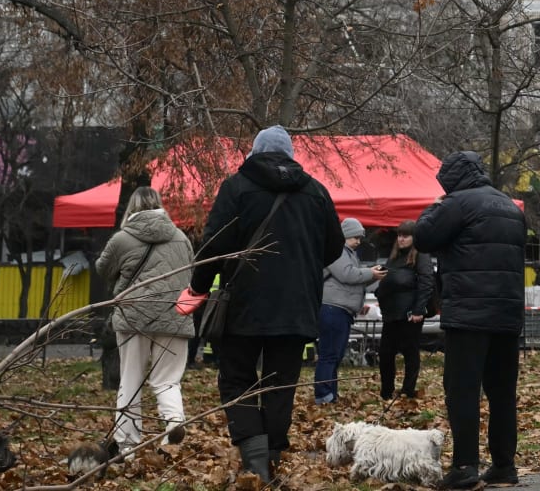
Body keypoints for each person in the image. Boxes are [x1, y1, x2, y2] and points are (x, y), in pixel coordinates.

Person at [179, 126, 343, 484]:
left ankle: (255, 461)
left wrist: (197, 290)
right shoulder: (316, 192)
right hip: (297, 307)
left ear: (254, 152)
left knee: (236, 380)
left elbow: (213, 247)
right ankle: (269, 457)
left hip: (244, 304)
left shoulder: (237, 187)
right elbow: (333, 248)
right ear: (291, 155)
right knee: (280, 384)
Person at [413, 152, 528, 489]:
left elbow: (423, 236)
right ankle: (504, 467)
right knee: (502, 393)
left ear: (452, 179)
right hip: (507, 315)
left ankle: (465, 468)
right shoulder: (510, 207)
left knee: (462, 392)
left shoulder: (456, 203)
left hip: (469, 315)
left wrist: (436, 206)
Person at [94, 186, 195, 451]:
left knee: (131, 380)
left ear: (132, 207)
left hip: (133, 317)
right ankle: (174, 421)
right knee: (167, 379)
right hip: (174, 316)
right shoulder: (181, 238)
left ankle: (126, 445)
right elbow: (189, 275)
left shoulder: (122, 239)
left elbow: (103, 270)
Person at [316, 218, 386, 403]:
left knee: (335, 354)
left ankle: (330, 393)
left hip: (341, 309)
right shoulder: (338, 251)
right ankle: (323, 394)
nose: (358, 241)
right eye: (355, 237)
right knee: (330, 354)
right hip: (333, 308)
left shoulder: (348, 253)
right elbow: (347, 274)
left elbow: (354, 277)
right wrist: (370, 273)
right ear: (345, 235)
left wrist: (372, 276)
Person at [375, 222, 434, 401]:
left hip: (409, 313)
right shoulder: (393, 257)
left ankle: (408, 389)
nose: (401, 239)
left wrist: (418, 309)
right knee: (385, 352)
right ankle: (387, 389)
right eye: (399, 235)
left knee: (410, 351)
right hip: (391, 312)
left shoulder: (421, 255)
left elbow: (426, 282)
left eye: (406, 236)